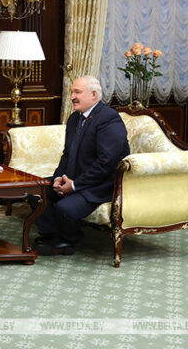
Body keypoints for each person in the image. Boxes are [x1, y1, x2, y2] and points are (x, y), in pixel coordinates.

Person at [34, 75, 129, 256]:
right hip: (75, 178)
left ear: (94, 95)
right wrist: (58, 178)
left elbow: (107, 164)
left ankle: (68, 239)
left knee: (65, 208)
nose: (72, 97)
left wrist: (75, 185)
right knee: (36, 192)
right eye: (72, 92)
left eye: (77, 92)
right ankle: (51, 236)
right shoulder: (74, 118)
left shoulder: (109, 119)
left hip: (101, 185)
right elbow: (67, 154)